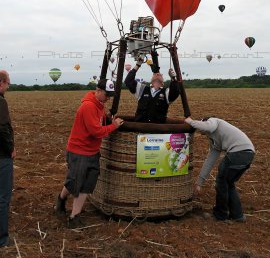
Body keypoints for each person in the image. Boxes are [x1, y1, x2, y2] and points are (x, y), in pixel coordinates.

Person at [54, 79, 124, 228]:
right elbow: (96, 131)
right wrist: (113, 126)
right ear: (98, 90)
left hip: (92, 151)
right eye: (106, 95)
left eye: (110, 96)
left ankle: (74, 216)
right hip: (79, 151)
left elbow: (99, 123)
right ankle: (61, 199)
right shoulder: (88, 106)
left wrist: (107, 118)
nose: (108, 98)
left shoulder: (99, 106)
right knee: (75, 182)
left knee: (86, 184)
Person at [185, 116, 255, 222]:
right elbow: (210, 161)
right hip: (248, 154)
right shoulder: (215, 141)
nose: (202, 132)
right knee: (228, 183)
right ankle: (238, 216)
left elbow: (208, 126)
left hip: (238, 152)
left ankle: (220, 215)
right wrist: (199, 182)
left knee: (221, 182)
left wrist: (190, 122)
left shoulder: (214, 121)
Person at [124, 56, 180, 123]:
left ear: (163, 83)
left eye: (160, 74)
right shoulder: (142, 89)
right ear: (151, 81)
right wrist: (137, 65)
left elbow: (175, 92)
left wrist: (173, 79)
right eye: (155, 74)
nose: (158, 74)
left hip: (157, 129)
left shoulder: (166, 92)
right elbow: (128, 81)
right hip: (140, 127)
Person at [0, 70, 16, 248]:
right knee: (3, 197)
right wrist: (11, 148)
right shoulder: (1, 102)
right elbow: (3, 129)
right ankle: (2, 239)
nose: (8, 87)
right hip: (1, 156)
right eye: (8, 83)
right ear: (1, 83)